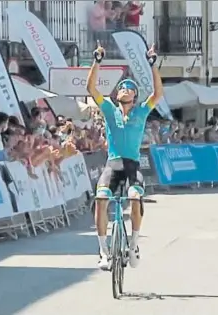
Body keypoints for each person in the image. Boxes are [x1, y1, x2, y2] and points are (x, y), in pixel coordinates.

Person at [86, 41, 163, 270]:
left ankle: (134, 244)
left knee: (134, 197)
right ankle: (103, 251)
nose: (125, 89)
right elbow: (91, 88)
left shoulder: (141, 111)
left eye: (129, 88)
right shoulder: (109, 109)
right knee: (100, 199)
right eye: (122, 87)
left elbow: (158, 93)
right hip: (113, 164)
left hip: (132, 166)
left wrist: (153, 65)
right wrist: (97, 61)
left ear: (135, 96)